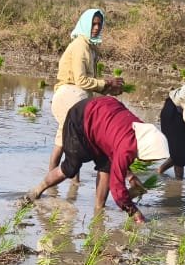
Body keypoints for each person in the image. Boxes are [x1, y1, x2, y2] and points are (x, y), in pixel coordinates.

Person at [26, 96, 169, 223]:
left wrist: (130, 177)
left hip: (101, 118)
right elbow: (117, 188)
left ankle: (98, 211)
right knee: (71, 167)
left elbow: (115, 152)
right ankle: (37, 190)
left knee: (106, 167)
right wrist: (134, 212)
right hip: (80, 117)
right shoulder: (127, 148)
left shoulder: (141, 132)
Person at [48, 8, 124, 179]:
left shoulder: (89, 47)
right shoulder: (81, 46)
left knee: (71, 142)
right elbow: (81, 80)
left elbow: (88, 82)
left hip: (77, 96)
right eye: (93, 24)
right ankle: (58, 183)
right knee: (67, 142)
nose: (96, 27)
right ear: (84, 24)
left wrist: (109, 88)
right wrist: (107, 83)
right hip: (69, 95)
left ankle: (65, 183)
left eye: (99, 24)